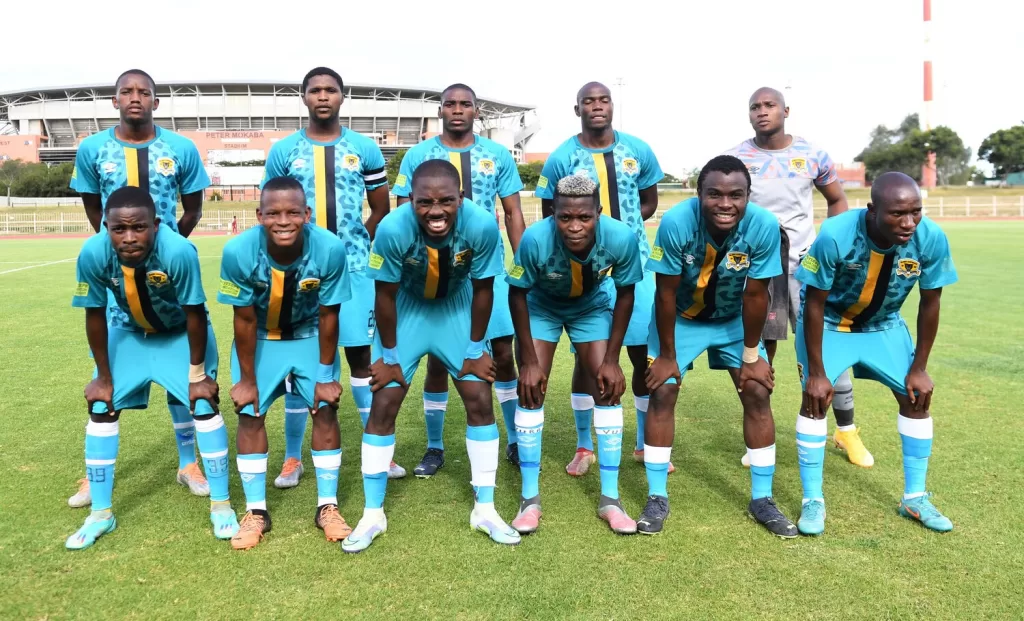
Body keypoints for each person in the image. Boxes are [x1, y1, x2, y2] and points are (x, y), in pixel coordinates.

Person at [341, 160, 520, 553]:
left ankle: (485, 509)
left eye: (446, 201)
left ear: (461, 198)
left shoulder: (482, 225)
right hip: (408, 311)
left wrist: (475, 350)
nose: (435, 211)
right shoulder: (391, 229)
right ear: (410, 200)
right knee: (383, 402)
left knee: (478, 397)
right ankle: (373, 514)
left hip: (457, 309)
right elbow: (384, 296)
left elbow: (485, 289)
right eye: (424, 202)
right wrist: (388, 356)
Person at [68, 68, 212, 509]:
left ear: (156, 101)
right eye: (126, 92)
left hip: (167, 274)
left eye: (144, 92)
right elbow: (94, 210)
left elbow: (193, 208)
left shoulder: (181, 148)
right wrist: (120, 251)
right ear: (114, 101)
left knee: (180, 380)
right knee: (106, 382)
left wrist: (167, 249)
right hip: (120, 281)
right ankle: (96, 477)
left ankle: (189, 463)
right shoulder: (92, 148)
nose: (135, 98)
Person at [65, 186, 236, 549]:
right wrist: (103, 377)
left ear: (156, 225)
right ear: (105, 227)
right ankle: (100, 514)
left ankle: (221, 505)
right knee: (101, 405)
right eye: (119, 229)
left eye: (138, 228)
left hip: (180, 335)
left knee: (203, 404)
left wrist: (197, 376)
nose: (129, 238)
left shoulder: (178, 251)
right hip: (129, 335)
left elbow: (194, 314)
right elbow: (94, 315)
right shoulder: (93, 253)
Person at [794, 172, 957, 535]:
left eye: (916, 211)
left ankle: (914, 498)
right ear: (872, 210)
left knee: (917, 398)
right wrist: (818, 374)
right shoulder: (836, 233)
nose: (909, 222)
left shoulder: (929, 237)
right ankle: (812, 500)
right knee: (815, 401)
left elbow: (931, 304)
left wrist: (920, 367)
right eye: (897, 213)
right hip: (831, 324)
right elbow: (815, 304)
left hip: (884, 326)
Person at [262, 66, 404, 486]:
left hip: (356, 269)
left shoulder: (364, 148)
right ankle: (292, 457)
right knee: (298, 362)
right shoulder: (284, 150)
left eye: (331, 90)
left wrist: (358, 241)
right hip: (298, 273)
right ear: (304, 97)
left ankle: (375, 447)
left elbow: (380, 207)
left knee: (361, 358)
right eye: (315, 90)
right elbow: (275, 209)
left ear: (343, 97)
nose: (323, 96)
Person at [641, 155, 796, 538]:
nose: (725, 204)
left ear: (748, 196)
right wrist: (666, 356)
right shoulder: (677, 222)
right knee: (662, 392)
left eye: (735, 195)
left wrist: (750, 357)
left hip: (731, 321)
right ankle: (657, 497)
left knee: (758, 391)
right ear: (699, 194)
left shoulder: (763, 226)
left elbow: (757, 295)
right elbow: (664, 294)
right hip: (680, 319)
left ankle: (762, 499)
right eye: (714, 194)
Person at [724, 87, 871, 469]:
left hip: (804, 269)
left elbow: (836, 198)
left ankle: (846, 431)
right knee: (759, 352)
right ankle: (761, 429)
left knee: (823, 350)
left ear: (786, 110)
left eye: (769, 105)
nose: (761, 112)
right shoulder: (738, 158)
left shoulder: (812, 155)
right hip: (758, 271)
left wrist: (830, 243)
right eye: (754, 107)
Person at [393, 83, 526, 477]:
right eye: (449, 104)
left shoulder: (497, 155)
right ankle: (435, 447)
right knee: (438, 359)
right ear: (440, 111)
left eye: (465, 104)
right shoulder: (418, 155)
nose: (457, 110)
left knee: (502, 353)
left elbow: (514, 213)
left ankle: (516, 440)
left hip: (487, 271)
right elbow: (403, 214)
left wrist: (522, 267)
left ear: (475, 112)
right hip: (434, 274)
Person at [536, 81, 667, 476]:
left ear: (613, 106)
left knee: (642, 352)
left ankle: (645, 443)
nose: (597, 106)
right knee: (586, 358)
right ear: (577, 109)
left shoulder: (638, 149)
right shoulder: (562, 156)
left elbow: (649, 201)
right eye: (589, 101)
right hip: (585, 271)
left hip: (635, 266)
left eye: (604, 100)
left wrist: (618, 235)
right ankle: (583, 445)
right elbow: (549, 212)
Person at [217, 176, 352, 550]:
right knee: (250, 411)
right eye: (273, 213)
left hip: (309, 335)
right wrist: (247, 379)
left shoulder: (330, 248)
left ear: (307, 214)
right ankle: (256, 512)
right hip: (261, 338)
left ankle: (327, 505)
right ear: (259, 215)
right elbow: (243, 320)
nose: (283, 221)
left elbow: (329, 316)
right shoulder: (238, 251)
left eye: (293, 212)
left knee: (325, 407)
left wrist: (325, 376)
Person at [506, 175, 642, 535]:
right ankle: (529, 499)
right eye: (565, 218)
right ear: (554, 213)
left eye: (584, 217)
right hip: (541, 306)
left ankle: (610, 499)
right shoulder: (535, 239)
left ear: (598, 212)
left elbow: (626, 293)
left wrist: (612, 359)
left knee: (607, 386)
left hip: (591, 306)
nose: (575, 226)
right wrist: (529, 363)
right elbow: (517, 294)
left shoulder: (620, 237)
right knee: (532, 389)